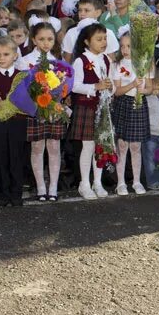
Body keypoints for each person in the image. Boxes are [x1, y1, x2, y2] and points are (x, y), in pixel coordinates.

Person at [18, 22, 66, 201]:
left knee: (54, 146)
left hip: (53, 108)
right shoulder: (25, 60)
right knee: (37, 147)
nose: (46, 43)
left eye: (50, 39)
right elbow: (22, 87)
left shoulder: (59, 62)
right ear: (33, 40)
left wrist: (57, 97)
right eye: (41, 39)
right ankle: (40, 186)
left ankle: (53, 186)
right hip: (35, 109)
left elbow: (64, 87)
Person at [0, 36, 28, 207]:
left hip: (17, 122)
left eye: (6, 54)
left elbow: (27, 101)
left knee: (16, 157)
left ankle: (16, 194)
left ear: (15, 56)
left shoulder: (22, 77)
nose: (1, 58)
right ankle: (2, 194)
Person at [70, 22, 114, 199]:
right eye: (98, 39)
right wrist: (95, 86)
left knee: (101, 145)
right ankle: (84, 183)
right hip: (87, 107)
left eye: (104, 38)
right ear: (87, 41)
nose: (103, 42)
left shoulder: (106, 59)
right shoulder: (81, 60)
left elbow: (110, 82)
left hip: (103, 107)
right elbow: (74, 86)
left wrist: (109, 88)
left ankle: (98, 182)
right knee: (87, 146)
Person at [110, 31, 149, 196]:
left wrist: (143, 89)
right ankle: (120, 183)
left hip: (138, 105)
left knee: (136, 146)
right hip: (123, 104)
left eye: (129, 46)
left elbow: (151, 88)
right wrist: (133, 84)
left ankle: (137, 181)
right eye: (122, 46)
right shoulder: (117, 65)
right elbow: (116, 91)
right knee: (122, 145)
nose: (125, 50)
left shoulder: (145, 64)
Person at [142, 69, 159, 191]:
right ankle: (152, 181)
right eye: (155, 88)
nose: (158, 91)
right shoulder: (145, 97)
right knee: (150, 159)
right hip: (150, 133)